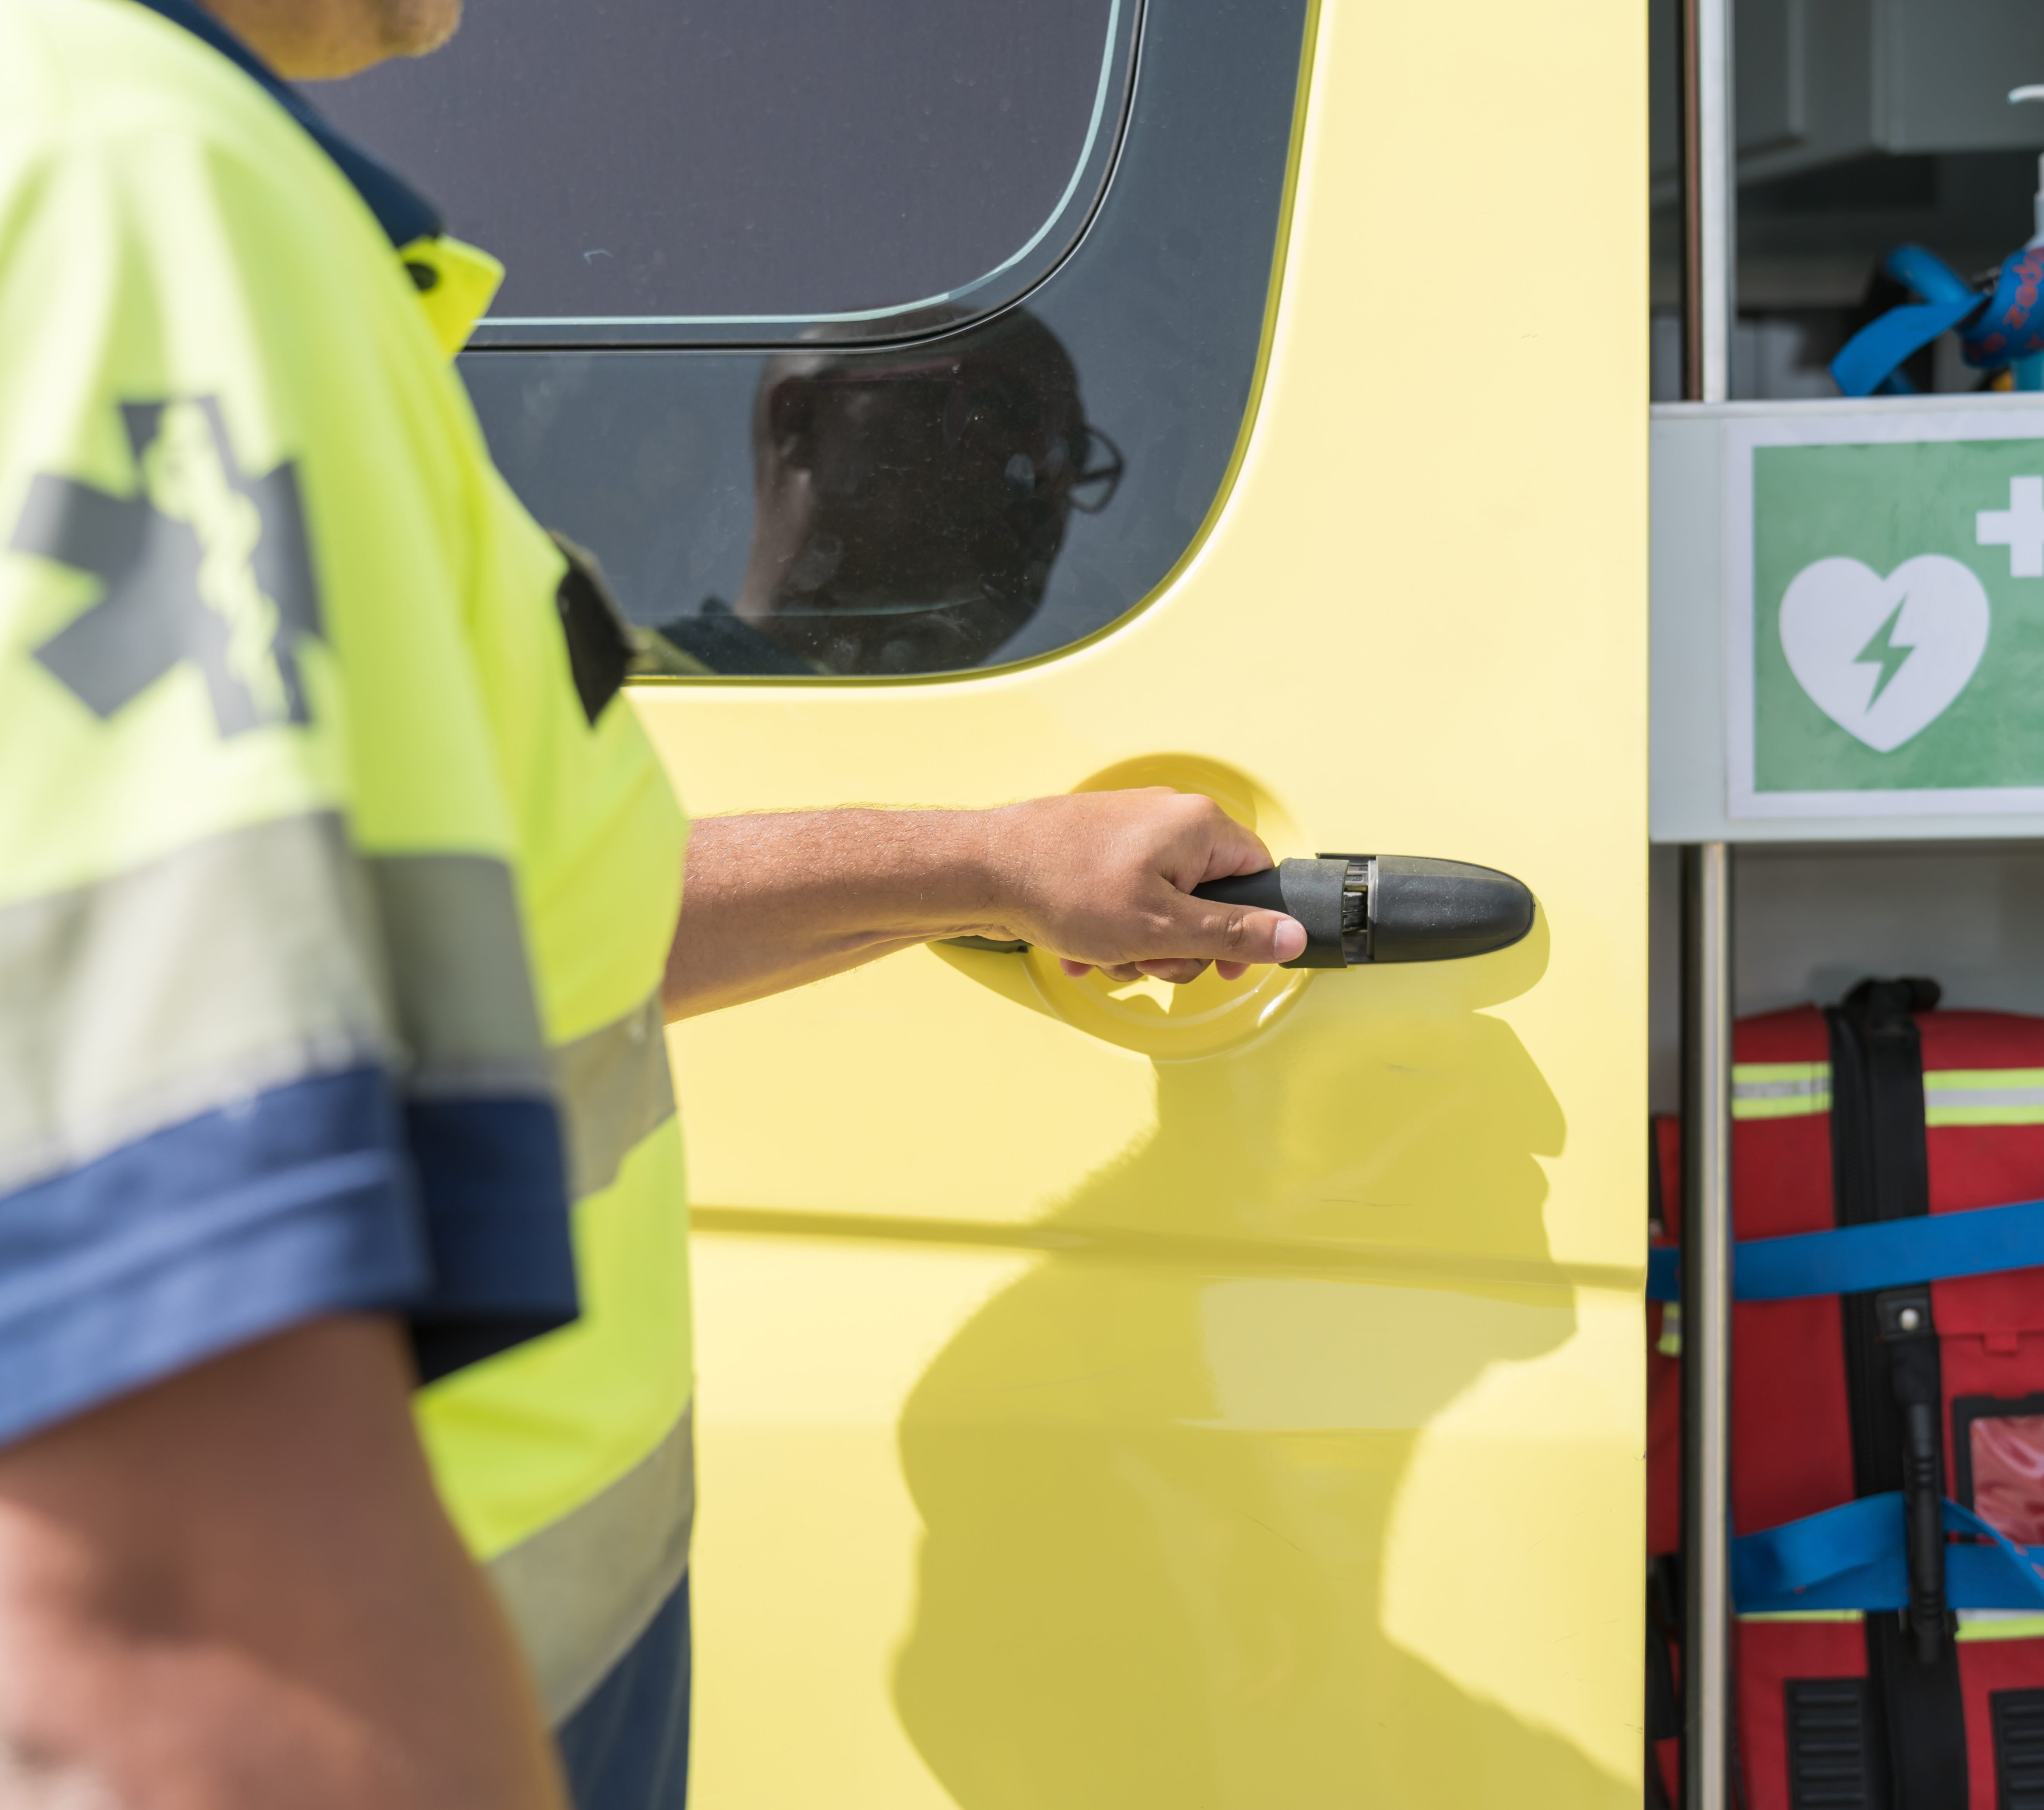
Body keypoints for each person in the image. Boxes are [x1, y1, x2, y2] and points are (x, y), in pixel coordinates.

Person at [0, 1, 1306, 1806]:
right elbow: (193, 1591)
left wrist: (990, 860)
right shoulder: (141, 184)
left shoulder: (173, 178)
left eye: (1033, 459)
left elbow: (489, 945)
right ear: (784, 440)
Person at [649, 313, 1119, 678]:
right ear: (803, 423)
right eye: (997, 410)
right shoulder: (615, 686)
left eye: (1072, 451)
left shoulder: (1042, 723)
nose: (1046, 474)